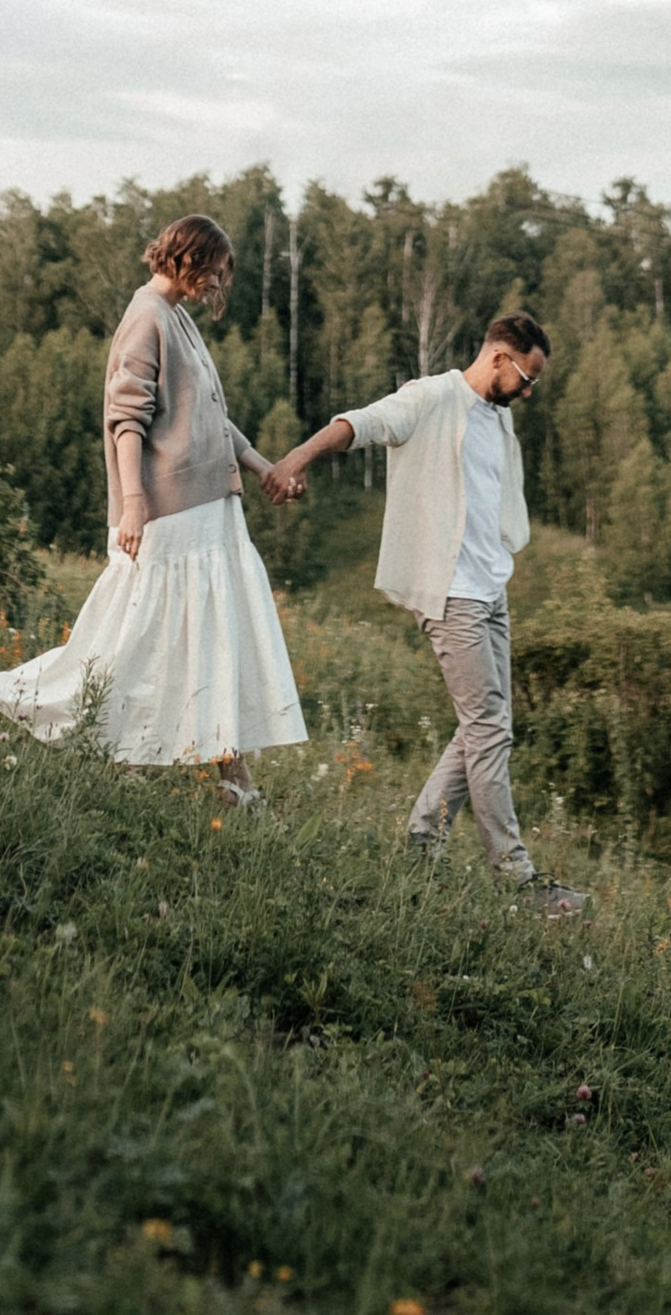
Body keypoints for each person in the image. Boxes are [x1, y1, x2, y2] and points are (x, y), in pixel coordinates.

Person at [0, 213, 306, 801]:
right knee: (139, 639)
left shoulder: (176, 319)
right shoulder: (146, 317)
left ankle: (228, 771)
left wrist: (262, 468)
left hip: (206, 512)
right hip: (168, 515)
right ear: (191, 259)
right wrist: (133, 505)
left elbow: (209, 417)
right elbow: (126, 418)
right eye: (217, 270)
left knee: (206, 636)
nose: (219, 284)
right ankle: (59, 715)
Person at [267, 311, 586, 915]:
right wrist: (294, 460)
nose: (528, 390)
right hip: (451, 592)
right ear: (498, 358)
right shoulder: (431, 398)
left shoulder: (498, 418)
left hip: (492, 589)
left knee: (484, 725)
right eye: (526, 377)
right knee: (489, 727)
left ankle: (420, 843)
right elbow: (355, 425)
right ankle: (515, 878)